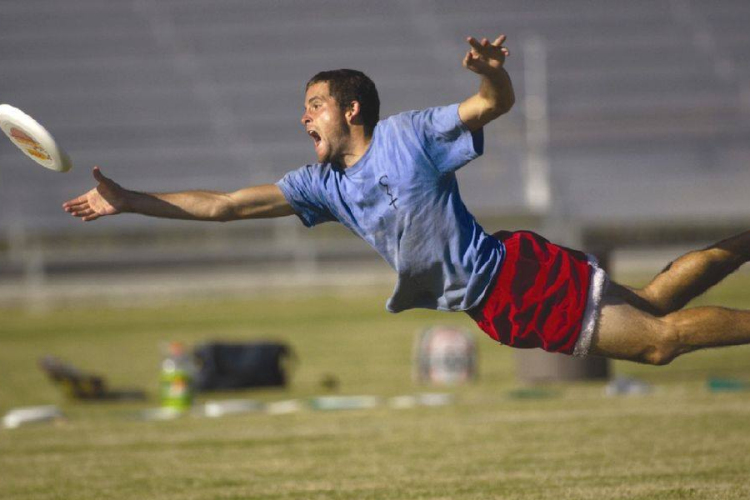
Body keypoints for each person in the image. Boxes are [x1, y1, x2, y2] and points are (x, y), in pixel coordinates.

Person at [63, 34, 750, 365]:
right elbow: (224, 206)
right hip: (499, 298)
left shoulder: (410, 134)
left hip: (513, 280)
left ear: (350, 108)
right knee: (657, 304)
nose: (304, 120)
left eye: (314, 107)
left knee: (657, 343)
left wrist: (493, 74)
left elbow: (491, 106)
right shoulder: (319, 186)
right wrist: (129, 201)